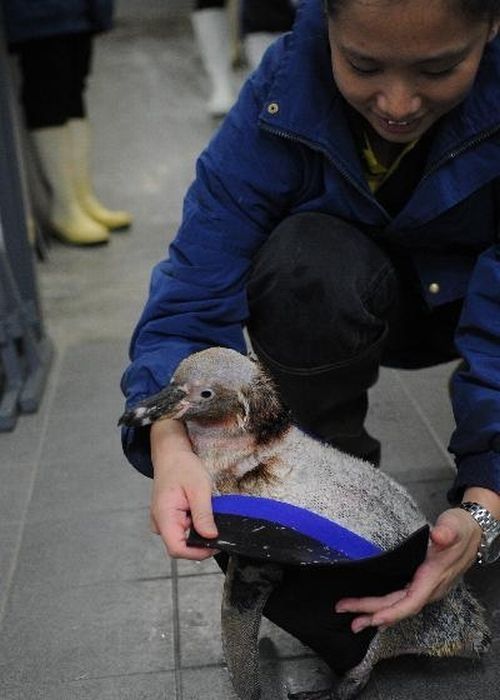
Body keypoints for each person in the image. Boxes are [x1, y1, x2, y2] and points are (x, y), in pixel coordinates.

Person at [121, 0, 500, 647]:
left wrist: (485, 505)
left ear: (491, 28)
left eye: (437, 68)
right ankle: (335, 505)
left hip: (464, 301)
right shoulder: (283, 89)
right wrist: (170, 439)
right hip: (338, 295)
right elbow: (192, 293)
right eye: (363, 64)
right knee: (304, 262)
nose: (400, 103)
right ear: (324, 22)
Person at [2, 0, 133, 246]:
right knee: (48, 89)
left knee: (73, 88)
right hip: (38, 15)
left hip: (77, 10)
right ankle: (65, 204)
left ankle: (82, 196)